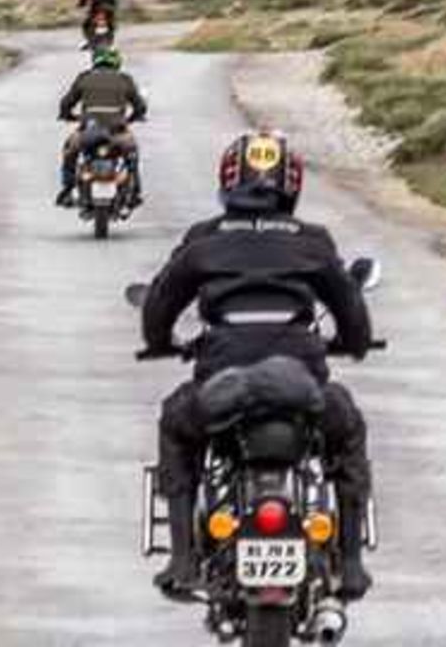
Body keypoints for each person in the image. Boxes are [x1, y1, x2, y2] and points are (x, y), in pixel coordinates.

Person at [139, 131, 375, 604]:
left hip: (221, 385)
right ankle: (350, 562)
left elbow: (159, 306)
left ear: (228, 180)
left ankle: (183, 558)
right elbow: (351, 312)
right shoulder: (312, 241)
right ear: (291, 184)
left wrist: (162, 342)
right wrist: (352, 343)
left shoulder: (203, 241)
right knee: (346, 430)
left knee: (177, 424)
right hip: (302, 385)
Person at [57, 42, 146, 208]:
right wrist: (135, 117)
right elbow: (140, 106)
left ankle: (67, 190)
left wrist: (66, 115)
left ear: (95, 60)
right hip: (118, 133)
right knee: (132, 156)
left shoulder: (84, 77)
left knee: (69, 151)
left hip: (88, 133)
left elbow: (66, 102)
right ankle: (135, 192)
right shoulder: (125, 79)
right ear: (116, 61)